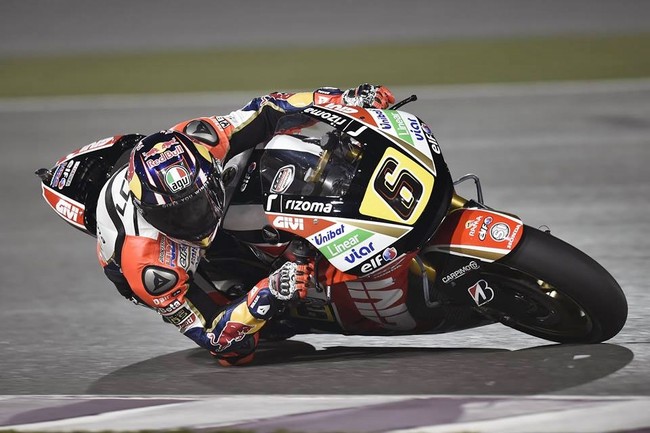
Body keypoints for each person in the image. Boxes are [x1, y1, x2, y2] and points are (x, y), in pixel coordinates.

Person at [95, 84, 395, 366]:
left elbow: (269, 109)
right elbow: (218, 342)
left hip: (207, 191)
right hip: (158, 259)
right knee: (252, 339)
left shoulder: (201, 139)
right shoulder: (150, 268)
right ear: (147, 211)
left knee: (270, 149)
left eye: (197, 203)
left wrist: (342, 99)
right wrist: (266, 294)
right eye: (175, 215)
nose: (194, 219)